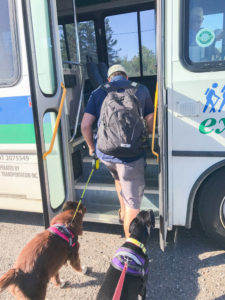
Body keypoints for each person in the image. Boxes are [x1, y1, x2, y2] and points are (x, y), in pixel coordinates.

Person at [81, 64, 154, 238]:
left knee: (117, 177)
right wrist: (148, 135)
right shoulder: (141, 90)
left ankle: (122, 214)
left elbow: (85, 126)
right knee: (133, 205)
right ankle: (131, 249)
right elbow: (150, 119)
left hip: (107, 154)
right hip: (131, 157)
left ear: (109, 78)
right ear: (126, 77)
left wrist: (92, 148)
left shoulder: (99, 92)